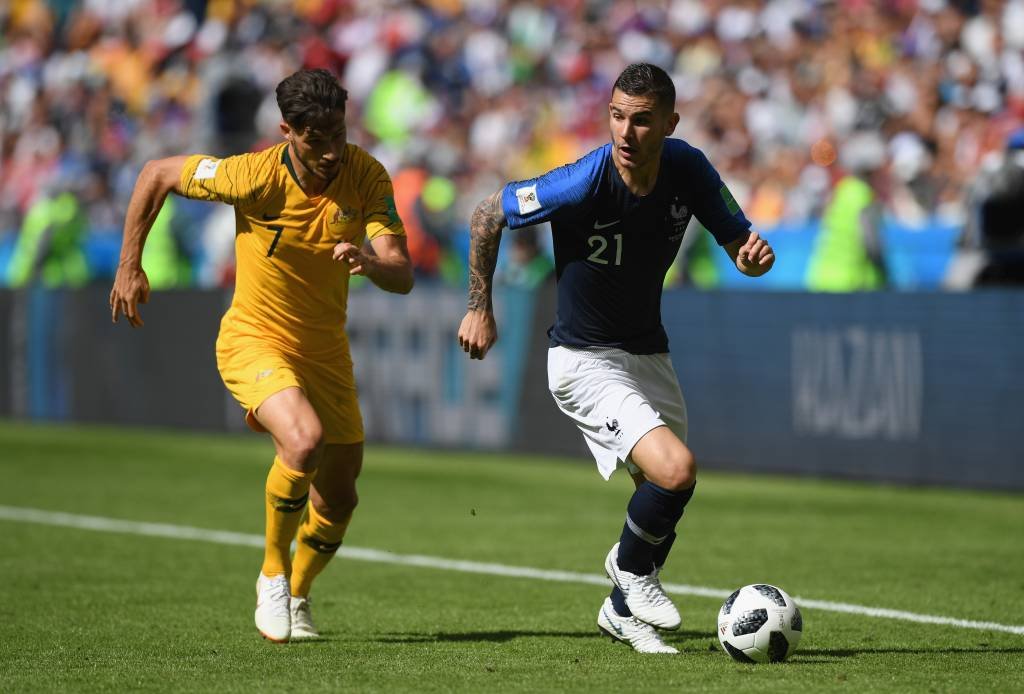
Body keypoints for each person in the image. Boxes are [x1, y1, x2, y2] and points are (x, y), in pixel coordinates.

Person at [457, 63, 774, 654]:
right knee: (675, 469)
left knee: (666, 491)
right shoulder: (582, 182)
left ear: (670, 123)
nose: (626, 133)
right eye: (617, 116)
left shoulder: (689, 168)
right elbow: (485, 214)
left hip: (648, 352)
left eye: (643, 120)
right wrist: (480, 307)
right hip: (582, 359)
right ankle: (629, 574)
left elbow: (742, 247)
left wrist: (751, 257)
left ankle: (620, 610)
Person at [109, 68, 413, 643]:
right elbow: (157, 174)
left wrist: (372, 264)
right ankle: (271, 574)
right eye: (315, 139)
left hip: (325, 350)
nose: (328, 152)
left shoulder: (367, 174)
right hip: (255, 337)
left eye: (337, 135)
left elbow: (402, 274)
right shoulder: (252, 174)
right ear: (287, 132)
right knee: (302, 438)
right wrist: (130, 264)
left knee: (341, 496)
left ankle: (298, 594)